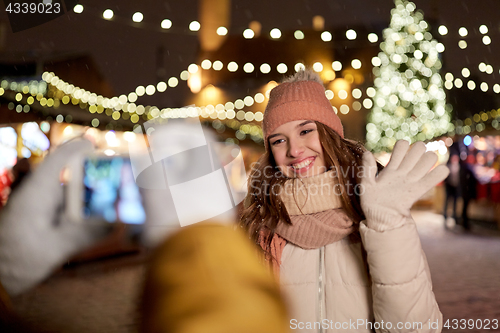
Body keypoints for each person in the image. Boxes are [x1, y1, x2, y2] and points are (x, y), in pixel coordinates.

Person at [240, 69, 448, 332]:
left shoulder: (373, 208)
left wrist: (388, 227)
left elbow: (416, 329)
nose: (294, 150)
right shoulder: (258, 221)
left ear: (329, 132)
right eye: (279, 140)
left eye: (306, 131)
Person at [443, 154, 460, 227]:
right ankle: (445, 216)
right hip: (449, 187)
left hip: (456, 188)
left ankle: (455, 217)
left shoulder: (459, 167)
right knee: (447, 202)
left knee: (455, 203)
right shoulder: (448, 167)